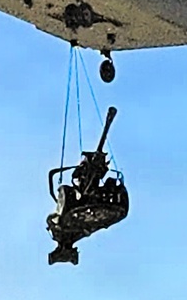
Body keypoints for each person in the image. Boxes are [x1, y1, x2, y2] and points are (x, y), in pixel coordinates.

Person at [46, 107, 129, 265]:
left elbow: (53, 219)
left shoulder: (65, 230)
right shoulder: (75, 230)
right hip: (84, 211)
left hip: (85, 208)